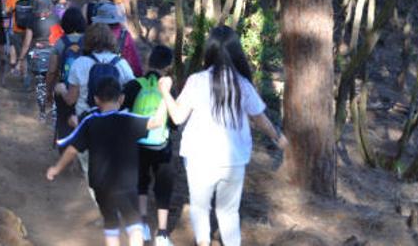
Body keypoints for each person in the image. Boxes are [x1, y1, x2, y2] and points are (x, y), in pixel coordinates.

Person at [158, 25, 287, 246]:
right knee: (229, 213)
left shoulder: (197, 80)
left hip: (199, 160)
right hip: (233, 162)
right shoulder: (243, 84)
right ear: (237, 52)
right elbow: (260, 119)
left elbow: (178, 117)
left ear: (209, 51)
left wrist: (165, 92)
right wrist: (277, 137)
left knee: (200, 209)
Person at [47, 77, 167, 246]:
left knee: (111, 224)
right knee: (135, 226)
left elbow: (73, 149)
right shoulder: (129, 119)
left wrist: (56, 168)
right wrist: (165, 95)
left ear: (96, 99)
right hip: (127, 184)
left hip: (101, 185)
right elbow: (157, 121)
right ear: (121, 99)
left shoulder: (90, 122)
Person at [121, 45, 176, 246]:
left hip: (138, 145)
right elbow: (175, 122)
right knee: (163, 188)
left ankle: (143, 223)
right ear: (168, 67)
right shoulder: (169, 90)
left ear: (147, 62)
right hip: (162, 147)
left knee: (141, 183)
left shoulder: (133, 85)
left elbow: (124, 116)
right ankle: (162, 233)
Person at [45, 6, 87, 147]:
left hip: (65, 90)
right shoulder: (89, 42)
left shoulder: (60, 43)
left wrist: (49, 92)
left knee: (64, 122)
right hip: (85, 90)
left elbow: (52, 71)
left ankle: (65, 150)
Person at [6, 0, 43, 76]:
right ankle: (26, 77)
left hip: (17, 26)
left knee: (15, 46)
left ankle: (14, 69)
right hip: (32, 28)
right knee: (27, 51)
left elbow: (8, 9)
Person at [91, 2, 144, 77]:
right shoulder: (124, 35)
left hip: (94, 75)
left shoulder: (93, 33)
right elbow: (134, 60)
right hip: (119, 76)